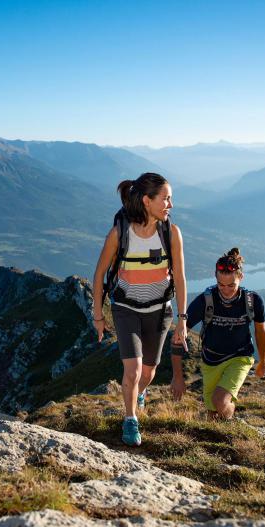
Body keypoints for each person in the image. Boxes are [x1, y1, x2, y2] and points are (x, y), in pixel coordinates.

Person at [92, 173, 187, 446]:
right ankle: (130, 419)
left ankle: (139, 393)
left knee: (148, 373)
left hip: (159, 310)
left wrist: (182, 319)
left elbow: (179, 277)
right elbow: (99, 275)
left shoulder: (171, 233)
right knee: (132, 370)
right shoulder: (120, 233)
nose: (170, 204)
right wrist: (98, 316)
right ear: (147, 201)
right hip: (126, 309)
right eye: (166, 198)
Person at [170, 248, 265, 419]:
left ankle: (232, 425)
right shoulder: (205, 300)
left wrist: (263, 361)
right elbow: (178, 337)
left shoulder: (252, 301)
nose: (226, 290)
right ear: (215, 278)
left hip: (240, 356)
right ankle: (224, 435)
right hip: (211, 360)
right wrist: (177, 377)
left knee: (220, 401)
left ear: (241, 278)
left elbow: (261, 331)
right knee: (212, 415)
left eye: (231, 285)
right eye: (221, 285)